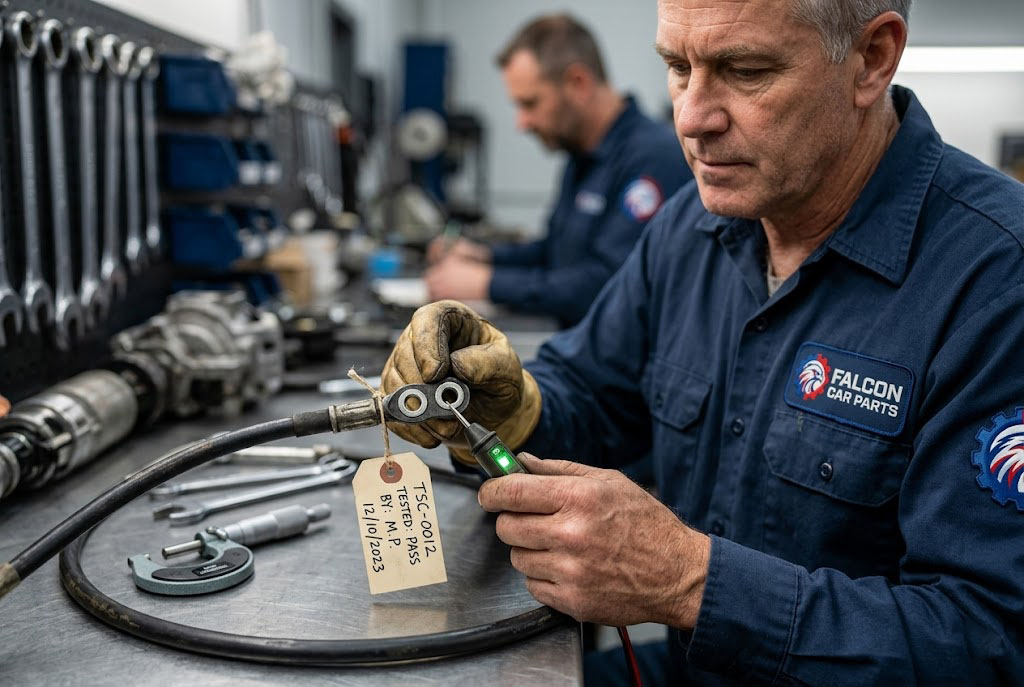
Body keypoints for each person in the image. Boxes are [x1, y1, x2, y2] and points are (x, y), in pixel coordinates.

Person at [383, 1, 1024, 685]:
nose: (691, 117)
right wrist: (500, 406)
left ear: (871, 59)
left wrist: (690, 581)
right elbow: (596, 397)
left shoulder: (994, 278)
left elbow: (987, 641)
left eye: (745, 71)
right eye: (676, 67)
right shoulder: (692, 225)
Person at [425, 14, 691, 329]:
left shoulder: (652, 157)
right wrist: (484, 256)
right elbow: (555, 252)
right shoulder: (581, 155)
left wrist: (488, 283)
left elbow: (609, 285)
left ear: (578, 83)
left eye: (530, 104)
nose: (522, 123)